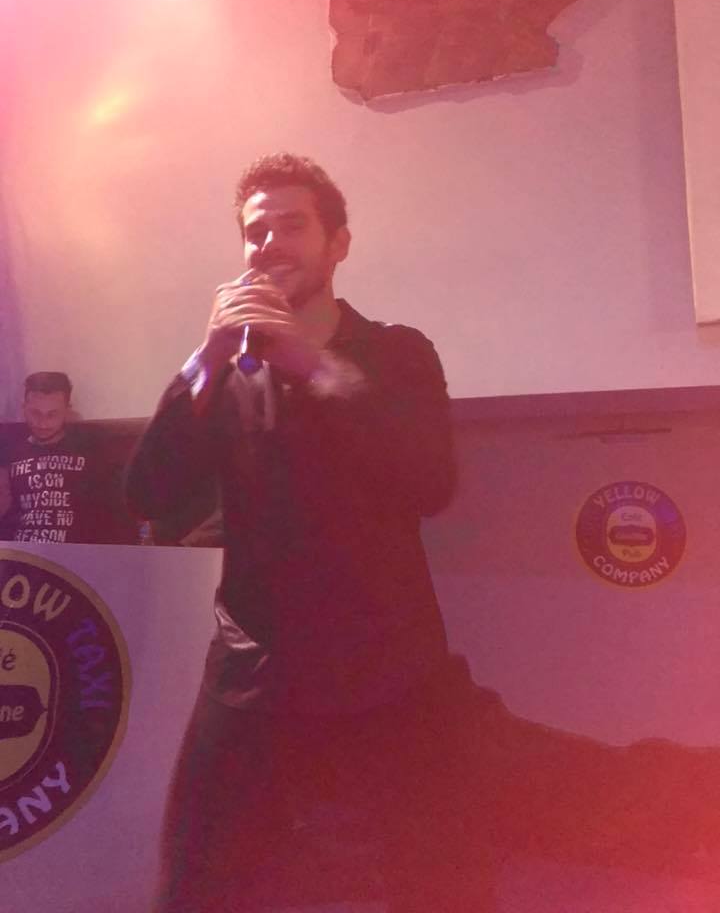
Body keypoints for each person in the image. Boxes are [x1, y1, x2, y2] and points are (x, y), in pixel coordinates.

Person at [126, 154, 720, 913]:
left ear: (338, 245)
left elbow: (428, 481)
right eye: (255, 231)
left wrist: (310, 364)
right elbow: (150, 493)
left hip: (387, 671)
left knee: (440, 883)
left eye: (292, 226)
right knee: (194, 891)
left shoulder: (397, 352)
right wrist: (205, 360)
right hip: (254, 675)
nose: (270, 243)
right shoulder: (226, 374)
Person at [0, 371, 130, 544]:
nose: (43, 423)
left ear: (67, 410)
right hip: (21, 551)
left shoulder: (89, 447)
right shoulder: (9, 448)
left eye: (52, 414)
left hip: (74, 553)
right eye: (35, 413)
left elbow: (113, 510)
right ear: (24, 407)